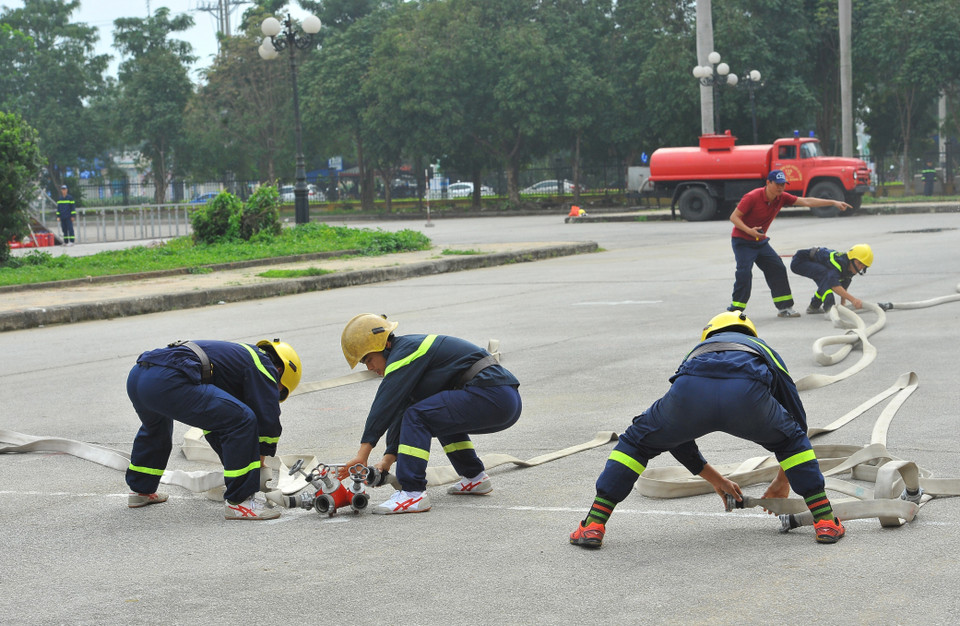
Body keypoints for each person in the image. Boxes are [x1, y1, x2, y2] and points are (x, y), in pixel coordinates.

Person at [569, 311, 845, 548]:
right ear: (750, 332)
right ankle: (824, 522)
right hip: (746, 398)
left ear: (710, 333)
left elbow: (676, 434)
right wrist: (782, 480)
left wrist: (714, 478)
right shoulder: (762, 348)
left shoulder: (698, 351)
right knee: (793, 439)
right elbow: (797, 422)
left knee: (636, 442)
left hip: (691, 392)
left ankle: (593, 525)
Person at [338, 313, 522, 515]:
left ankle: (412, 493)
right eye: (365, 364)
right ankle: (474, 478)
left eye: (369, 359)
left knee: (418, 416)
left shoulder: (406, 353)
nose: (371, 368)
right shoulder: (411, 355)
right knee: (435, 414)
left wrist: (362, 455)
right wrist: (386, 461)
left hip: (492, 395)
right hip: (502, 398)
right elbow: (401, 407)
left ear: (385, 346)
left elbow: (385, 404)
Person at [125, 338, 302, 520]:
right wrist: (259, 462)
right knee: (242, 420)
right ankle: (240, 502)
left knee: (156, 428)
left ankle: (141, 490)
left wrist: (239, 464)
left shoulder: (238, 359)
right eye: (280, 390)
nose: (275, 392)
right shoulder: (264, 365)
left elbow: (214, 424)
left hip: (140, 376)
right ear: (280, 370)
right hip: (167, 380)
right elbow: (267, 419)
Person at [728, 170, 852, 318]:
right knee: (744, 272)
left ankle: (785, 307)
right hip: (742, 241)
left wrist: (833, 202)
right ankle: (735, 310)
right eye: (777, 185)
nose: (780, 188)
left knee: (777, 268)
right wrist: (749, 231)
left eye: (783, 185)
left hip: (760, 242)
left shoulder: (782, 198)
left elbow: (807, 201)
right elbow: (734, 217)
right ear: (768, 183)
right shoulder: (752, 197)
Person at [790, 244, 873, 314]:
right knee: (826, 277)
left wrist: (843, 304)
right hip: (800, 261)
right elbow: (834, 285)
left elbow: (844, 284)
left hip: (812, 262)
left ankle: (814, 307)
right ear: (851, 259)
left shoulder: (849, 266)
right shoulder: (838, 264)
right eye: (859, 263)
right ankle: (829, 308)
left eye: (863, 266)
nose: (860, 267)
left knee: (827, 278)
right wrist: (853, 300)